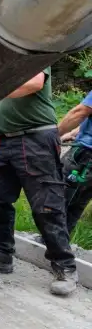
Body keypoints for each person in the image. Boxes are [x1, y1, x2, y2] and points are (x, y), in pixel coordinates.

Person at [0, 68, 77, 296]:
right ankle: (1, 256)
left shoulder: (33, 54)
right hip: (2, 140)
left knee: (47, 207)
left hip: (35, 138)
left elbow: (33, 83)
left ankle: (65, 267)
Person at [57, 91, 92, 240]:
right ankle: (60, 244)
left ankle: (50, 242)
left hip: (85, 154)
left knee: (59, 194)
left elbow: (81, 111)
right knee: (78, 202)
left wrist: (54, 134)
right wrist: (73, 133)